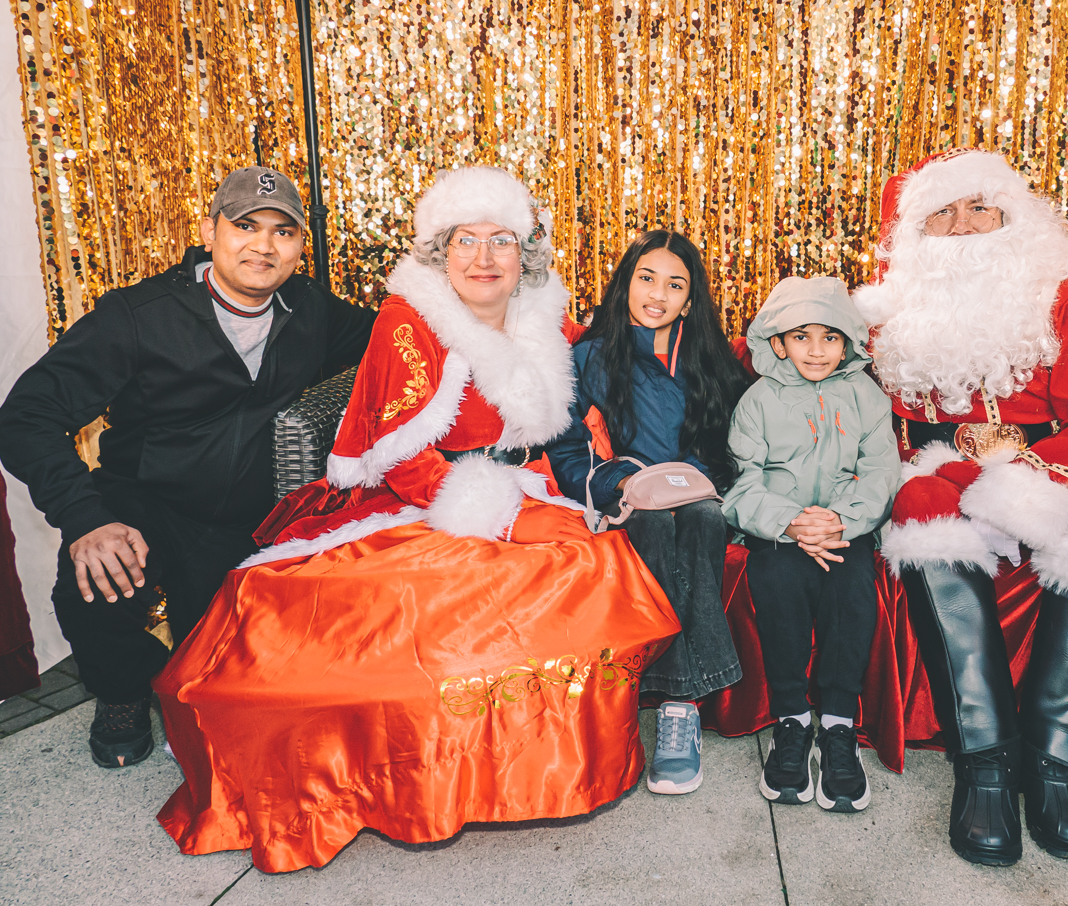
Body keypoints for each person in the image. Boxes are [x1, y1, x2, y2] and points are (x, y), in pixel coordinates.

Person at [152, 167, 681, 873]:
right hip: (425, 497)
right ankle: (413, 780)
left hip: (537, 485)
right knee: (417, 610)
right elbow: (400, 456)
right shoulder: (410, 320)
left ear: (524, 251)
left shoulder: (546, 316)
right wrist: (503, 519)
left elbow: (596, 386)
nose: (485, 258)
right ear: (440, 249)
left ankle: (520, 770)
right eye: (466, 240)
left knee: (587, 568)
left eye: (501, 240)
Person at [0, 167, 375, 769]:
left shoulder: (311, 308)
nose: (263, 244)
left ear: (299, 247)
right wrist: (85, 517)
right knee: (96, 584)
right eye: (245, 225)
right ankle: (121, 695)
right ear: (209, 231)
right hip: (145, 501)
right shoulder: (138, 314)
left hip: (249, 516)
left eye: (283, 232)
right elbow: (26, 416)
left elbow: (395, 339)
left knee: (240, 696)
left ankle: (191, 670)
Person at [852, 148, 1068, 866]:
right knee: (921, 499)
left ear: (1011, 216)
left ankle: (1055, 762)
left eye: (979, 208)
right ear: (915, 231)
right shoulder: (885, 309)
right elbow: (799, 346)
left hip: (1056, 457)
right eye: (943, 213)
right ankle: (985, 763)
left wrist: (1029, 474)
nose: (963, 227)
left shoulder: (1064, 298)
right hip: (939, 463)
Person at [549, 229, 750, 796]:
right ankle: (681, 704)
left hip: (701, 493)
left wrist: (699, 481)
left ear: (690, 299)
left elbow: (735, 445)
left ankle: (676, 707)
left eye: (675, 284)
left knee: (703, 519)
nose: (658, 294)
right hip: (627, 496)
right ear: (626, 283)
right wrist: (620, 481)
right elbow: (566, 450)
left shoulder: (711, 359)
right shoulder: (588, 356)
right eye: (647, 278)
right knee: (653, 523)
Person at [721, 276, 900, 813]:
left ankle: (839, 725)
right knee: (777, 580)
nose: (817, 350)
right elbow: (741, 482)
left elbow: (881, 473)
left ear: (848, 342)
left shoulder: (867, 397)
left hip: (844, 529)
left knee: (852, 583)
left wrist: (841, 521)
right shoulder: (756, 402)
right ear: (778, 343)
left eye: (830, 337)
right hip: (779, 529)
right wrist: (791, 523)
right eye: (802, 336)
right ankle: (792, 719)